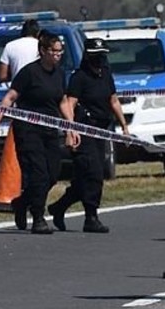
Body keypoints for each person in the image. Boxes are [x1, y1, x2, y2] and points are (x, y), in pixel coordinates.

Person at [0, 31, 66, 233]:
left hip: (50, 130)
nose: (58, 55)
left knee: (52, 174)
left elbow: (62, 101)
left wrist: (72, 127)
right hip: (28, 130)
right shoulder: (29, 72)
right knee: (39, 174)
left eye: (60, 51)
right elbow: (10, 98)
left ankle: (21, 203)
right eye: (54, 51)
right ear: (43, 51)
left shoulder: (59, 73)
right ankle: (38, 217)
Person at [49, 37, 130, 233]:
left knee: (84, 178)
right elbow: (69, 104)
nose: (100, 60)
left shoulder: (106, 75)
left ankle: (59, 206)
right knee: (94, 173)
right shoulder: (79, 77)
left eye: (102, 56)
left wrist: (124, 127)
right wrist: (71, 130)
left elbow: (113, 101)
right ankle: (91, 217)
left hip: (101, 130)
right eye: (96, 56)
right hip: (84, 131)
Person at [0, 18, 42, 83]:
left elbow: (2, 76)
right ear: (38, 33)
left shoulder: (10, 46)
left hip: (18, 86)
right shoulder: (42, 46)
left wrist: (14, 73)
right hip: (39, 85)